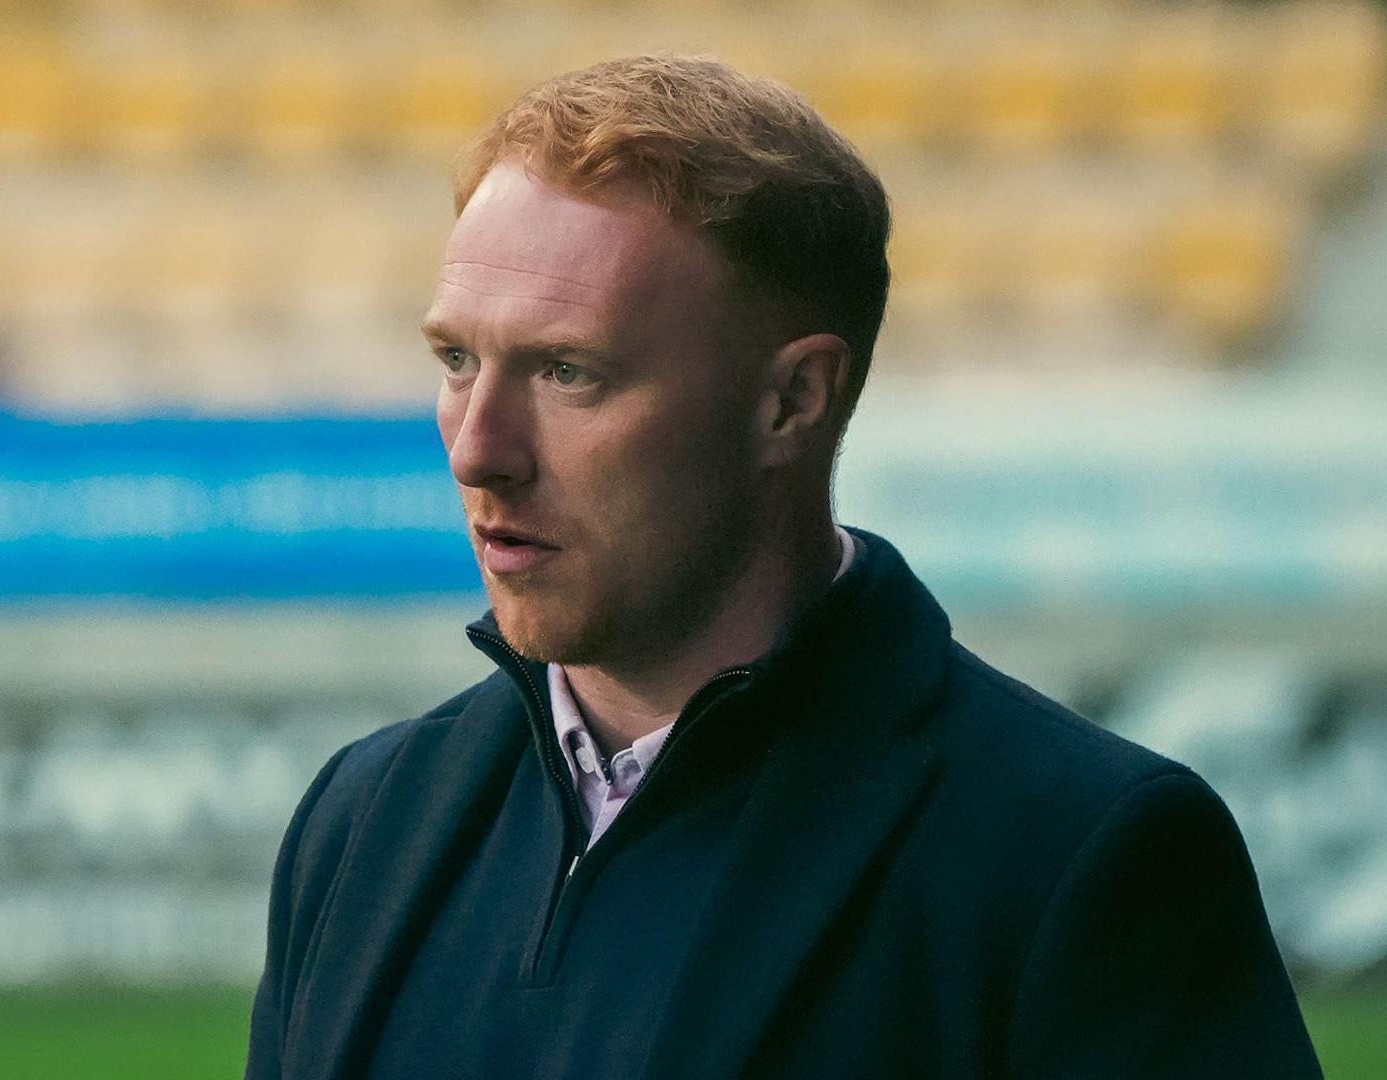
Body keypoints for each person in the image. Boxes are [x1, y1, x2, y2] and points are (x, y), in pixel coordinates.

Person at [245, 55, 1321, 1080]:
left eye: (569, 372)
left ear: (791, 401)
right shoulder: (364, 823)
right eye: (456, 361)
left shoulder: (1079, 854)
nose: (478, 447)